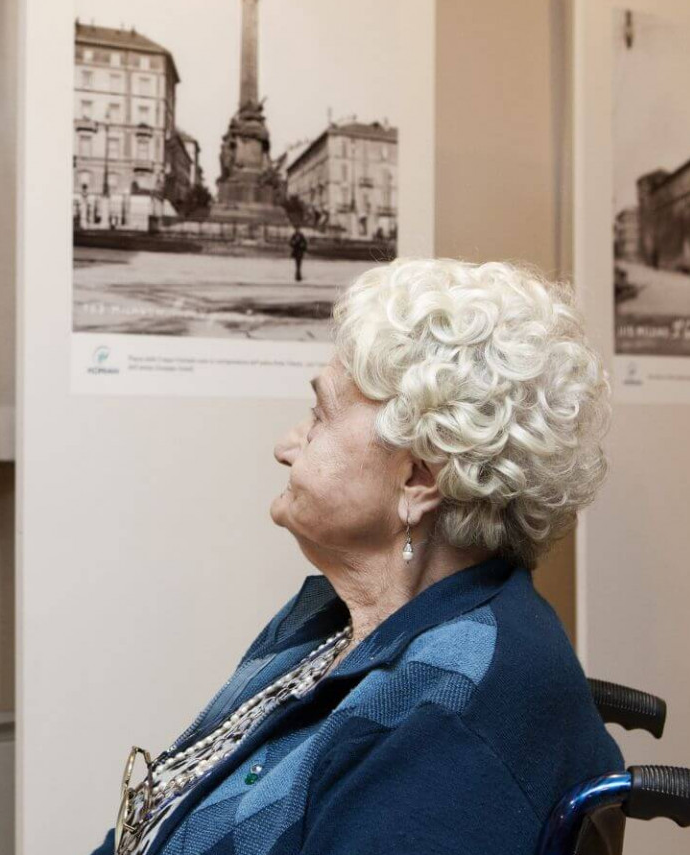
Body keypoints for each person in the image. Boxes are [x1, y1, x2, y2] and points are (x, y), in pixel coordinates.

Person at [96, 259, 621, 855]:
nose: (286, 445)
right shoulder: (335, 621)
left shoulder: (448, 726)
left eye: (320, 416)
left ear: (418, 480)